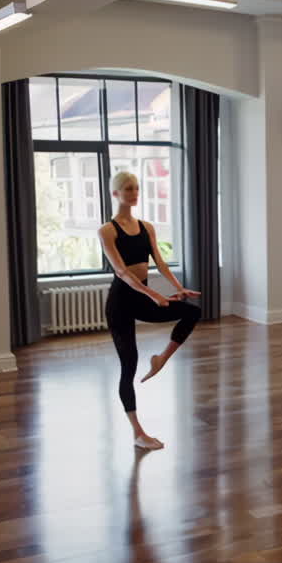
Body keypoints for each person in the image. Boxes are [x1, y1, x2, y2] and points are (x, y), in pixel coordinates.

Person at [99, 171, 202, 450]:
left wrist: (179, 287)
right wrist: (152, 293)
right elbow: (121, 271)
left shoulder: (147, 227)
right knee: (129, 364)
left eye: (136, 188)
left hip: (145, 297)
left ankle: (161, 359)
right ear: (116, 193)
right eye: (128, 189)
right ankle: (138, 432)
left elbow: (160, 262)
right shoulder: (107, 230)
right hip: (121, 302)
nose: (134, 193)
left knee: (192, 311)